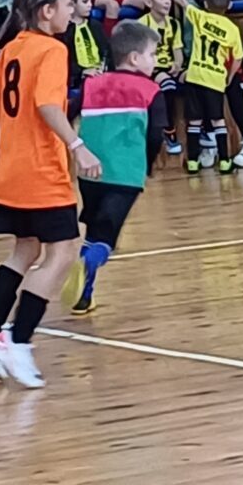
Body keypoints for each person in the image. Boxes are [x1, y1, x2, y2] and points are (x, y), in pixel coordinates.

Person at [0, 0, 102, 389]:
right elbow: (47, 105)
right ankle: (18, 341)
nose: (72, 11)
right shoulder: (51, 49)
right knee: (64, 251)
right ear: (47, 11)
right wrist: (77, 146)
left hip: (10, 171)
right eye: (67, 4)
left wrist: (12, 127)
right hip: (42, 171)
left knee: (25, 249)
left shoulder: (13, 47)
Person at [68, 21, 167, 314]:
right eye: (152, 54)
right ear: (134, 58)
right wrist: (148, 163)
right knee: (105, 239)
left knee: (95, 230)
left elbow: (67, 115)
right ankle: (87, 263)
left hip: (89, 173)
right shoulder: (151, 90)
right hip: (125, 174)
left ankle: (84, 297)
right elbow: (156, 134)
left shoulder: (91, 84)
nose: (155, 61)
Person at [161, 0, 243, 175]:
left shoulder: (200, 17)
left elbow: (182, 0)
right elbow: (238, 58)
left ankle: (192, 161)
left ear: (206, 3)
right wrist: (229, 77)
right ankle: (224, 161)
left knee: (194, 121)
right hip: (215, 79)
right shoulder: (232, 29)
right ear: (229, 6)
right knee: (218, 121)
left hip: (195, 76)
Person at [139, 0, 184, 163]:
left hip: (170, 67)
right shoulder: (142, 24)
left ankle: (204, 128)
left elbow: (178, 52)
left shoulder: (174, 24)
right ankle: (169, 130)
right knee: (167, 85)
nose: (167, 2)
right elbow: (141, 57)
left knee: (197, 79)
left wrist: (177, 64)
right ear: (149, 2)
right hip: (151, 69)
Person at [61, 0, 109, 96]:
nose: (90, 5)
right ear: (72, 4)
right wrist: (82, 72)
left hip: (100, 74)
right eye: (85, 1)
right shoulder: (64, 30)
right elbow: (66, 59)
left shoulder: (96, 26)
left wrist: (103, 66)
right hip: (77, 80)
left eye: (91, 1)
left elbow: (106, 50)